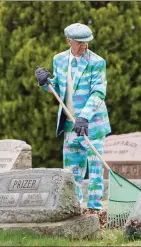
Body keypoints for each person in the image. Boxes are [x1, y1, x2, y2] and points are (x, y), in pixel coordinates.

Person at [35, 23, 111, 211]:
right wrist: (45, 82)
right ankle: (74, 207)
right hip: (69, 125)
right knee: (72, 171)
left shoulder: (97, 62)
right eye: (80, 42)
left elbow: (98, 93)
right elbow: (58, 89)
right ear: (69, 41)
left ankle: (95, 208)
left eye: (87, 42)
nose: (84, 46)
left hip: (92, 124)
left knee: (94, 169)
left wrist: (84, 117)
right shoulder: (59, 60)